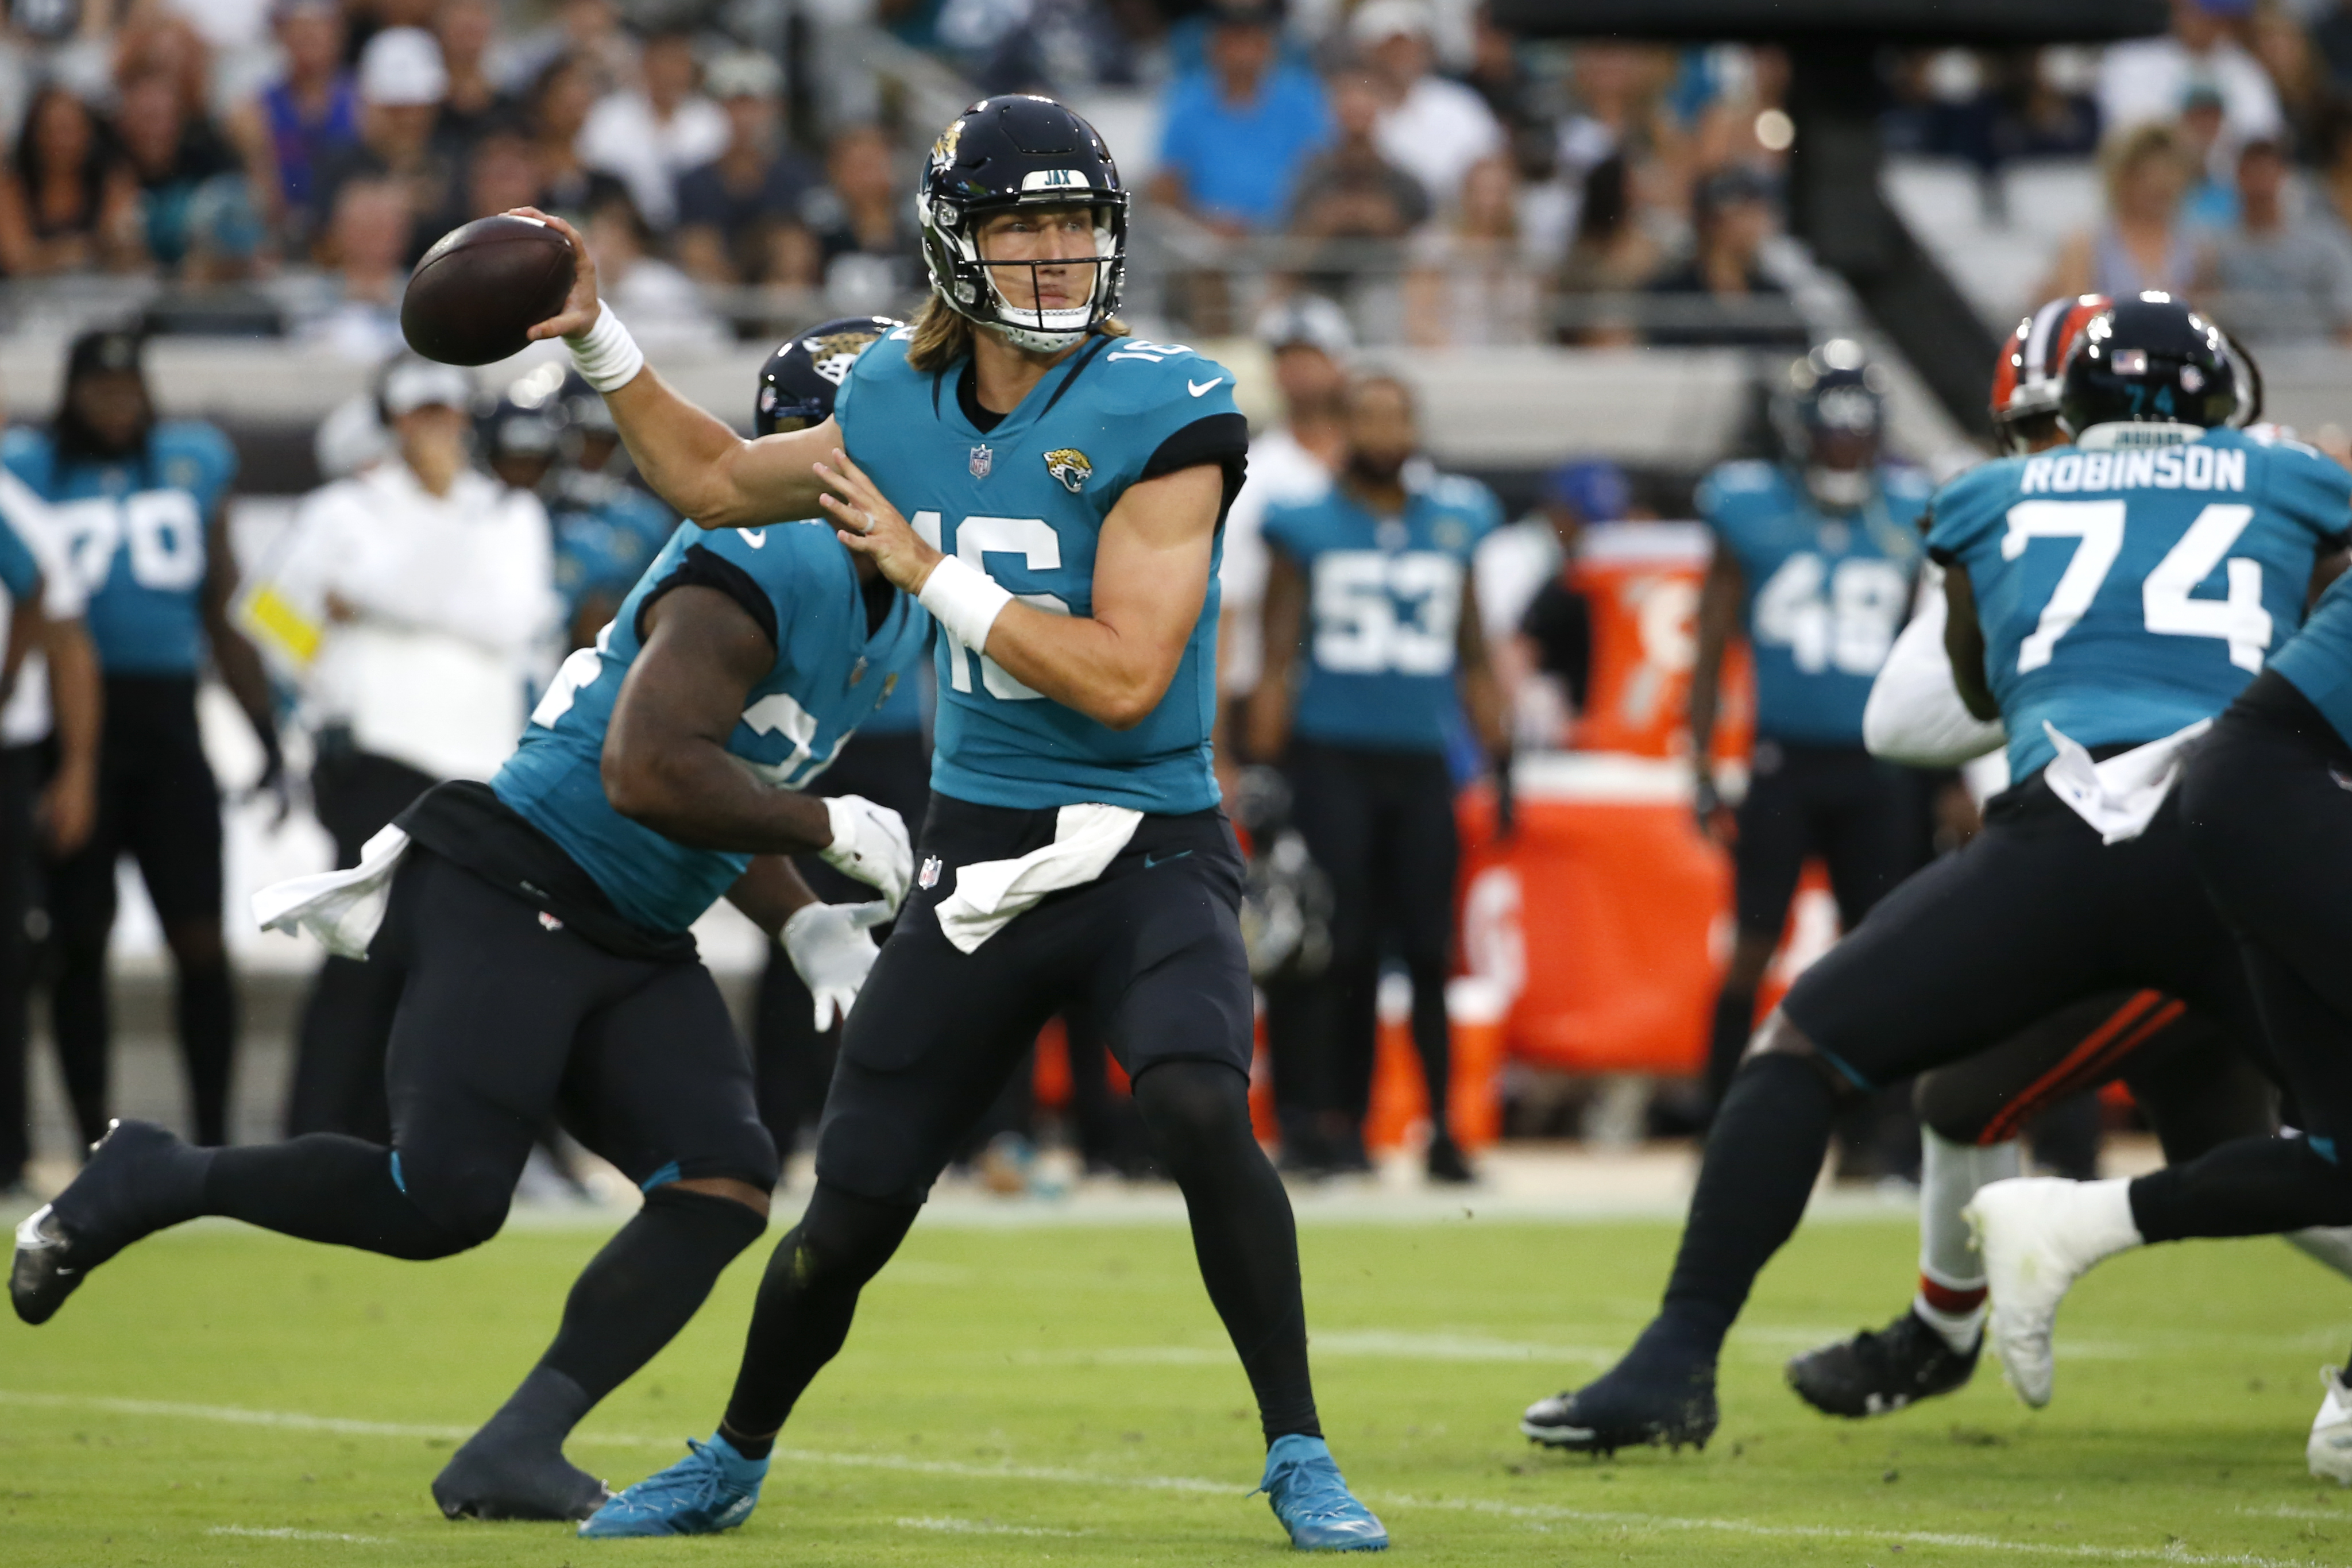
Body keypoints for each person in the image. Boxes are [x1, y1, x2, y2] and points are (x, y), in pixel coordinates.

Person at [527, 92, 1385, 1549]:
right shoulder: (883, 401)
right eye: (1022, 223)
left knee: (1190, 1097)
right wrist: (600, 341)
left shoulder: (1166, 403)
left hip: (1144, 843)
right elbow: (715, 481)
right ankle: (732, 1455)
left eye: (1075, 223)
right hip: (976, 853)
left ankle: (1302, 1450)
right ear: (954, 241)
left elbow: (1122, 677)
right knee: (849, 1212)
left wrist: (924, 571)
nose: (1055, 254)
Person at [9, 350, 929, 1533]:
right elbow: (646, 766)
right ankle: (159, 1174)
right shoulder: (771, 546)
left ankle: (514, 1447)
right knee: (443, 1200)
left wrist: (800, 916)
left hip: (633, 913)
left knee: (720, 1181)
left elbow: (721, 769)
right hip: (519, 876)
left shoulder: (885, 590)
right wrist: (825, 823)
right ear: (819, 443)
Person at [1517, 294, 2350, 1454]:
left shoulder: (1982, 496)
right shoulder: (2295, 480)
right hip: (2231, 840)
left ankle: (1675, 1362)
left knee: (1797, 1057)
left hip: (2053, 838)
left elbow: (1969, 686)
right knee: (2329, 1146)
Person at [1784, 296, 2352, 1421]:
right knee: (2255, 1148)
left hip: (2202, 859)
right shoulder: (2059, 513)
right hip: (2148, 860)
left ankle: (1956, 1316)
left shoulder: (2252, 511)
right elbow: (1901, 718)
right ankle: (1948, 1324)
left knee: (2287, 1150)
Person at [3, 330, 277, 1154]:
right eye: (101, 391)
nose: (119, 407)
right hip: (72, 721)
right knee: (78, 936)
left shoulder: (192, 461)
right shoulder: (29, 468)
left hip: (167, 724)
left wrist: (264, 727)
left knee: (198, 936)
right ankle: (95, 1140)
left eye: (130, 390)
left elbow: (225, 606)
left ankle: (215, 1142)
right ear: (71, 393)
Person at [277, 356, 561, 1141]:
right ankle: (319, 1132)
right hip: (377, 752)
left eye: (445, 412)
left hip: (479, 763)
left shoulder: (507, 512)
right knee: (364, 953)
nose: (436, 427)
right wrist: (325, 656)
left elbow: (510, 618)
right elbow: (271, 617)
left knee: (462, 961)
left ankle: (424, 1134)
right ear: (395, 421)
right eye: (419, 413)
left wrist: (366, 596)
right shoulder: (344, 507)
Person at [1250, 374, 1507, 1185]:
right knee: (1335, 947)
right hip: (1329, 755)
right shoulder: (1306, 523)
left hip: (1420, 758)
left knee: (1428, 949)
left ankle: (1441, 1131)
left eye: (1397, 414)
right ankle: (1327, 1125)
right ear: (1343, 428)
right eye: (1369, 416)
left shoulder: (1454, 521)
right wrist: (1263, 764)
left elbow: (1471, 647)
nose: (1385, 429)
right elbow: (1275, 651)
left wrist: (1499, 750)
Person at [1687, 341, 1929, 1111]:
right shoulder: (1748, 503)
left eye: (1855, 426)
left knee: (1878, 954)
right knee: (1750, 948)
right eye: (1828, 425)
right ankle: (1717, 1122)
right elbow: (1707, 642)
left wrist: (1950, 773)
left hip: (1879, 764)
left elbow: (1931, 653)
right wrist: (1696, 759)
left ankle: (1875, 1134)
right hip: (1782, 763)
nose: (1842, 441)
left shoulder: (1910, 508)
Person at [735, 317, 934, 1175]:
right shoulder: (765, 552)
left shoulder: (921, 543)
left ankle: (900, 1128)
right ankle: (777, 1124)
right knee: (800, 933)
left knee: (912, 941)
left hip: (872, 752)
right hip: (745, 772)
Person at [0, 445, 101, 1195]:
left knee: (11, 956)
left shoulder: (17, 510)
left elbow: (48, 609)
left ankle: (8, 1150)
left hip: (11, 757)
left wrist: (76, 765)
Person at [1148, 0, 1331, 237]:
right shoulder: (1186, 101)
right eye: (1233, 42)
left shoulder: (1302, 99)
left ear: (1269, 46)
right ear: (1213, 46)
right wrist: (1203, 225)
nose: (1242, 53)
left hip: (1289, 237)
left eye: (1251, 42)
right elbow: (1167, 182)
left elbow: (1321, 171)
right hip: (1205, 239)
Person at [673, 52, 818, 288]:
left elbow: (800, 256)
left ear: (775, 109)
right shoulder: (694, 181)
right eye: (734, 105)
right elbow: (696, 253)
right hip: (712, 302)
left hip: (779, 299)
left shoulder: (797, 176)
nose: (744, 117)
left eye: (754, 106)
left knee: (791, 248)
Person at [229, 0, 361, 250]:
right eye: (301, 33)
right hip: (281, 235)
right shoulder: (254, 110)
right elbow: (262, 185)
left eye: (318, 32)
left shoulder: (363, 105)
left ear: (337, 37)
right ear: (284, 38)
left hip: (345, 241)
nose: (310, 42)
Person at [1350, 0, 1503, 209]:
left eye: (1408, 44)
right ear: (1368, 51)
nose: (1399, 55)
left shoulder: (1460, 106)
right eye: (1389, 47)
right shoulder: (1350, 110)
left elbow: (1492, 172)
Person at [577, 27, 726, 234]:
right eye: (662, 62)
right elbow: (597, 174)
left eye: (679, 63)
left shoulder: (711, 119)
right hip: (627, 228)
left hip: (695, 228)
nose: (669, 72)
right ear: (644, 65)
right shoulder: (609, 116)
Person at [2207, 137, 2352, 347]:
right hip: (2247, 362)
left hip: (2316, 365)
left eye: (2266, 172)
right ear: (2237, 177)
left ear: (2284, 175)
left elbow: (2345, 320)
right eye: (2251, 173)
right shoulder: (2215, 249)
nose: (2259, 183)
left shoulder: (2325, 244)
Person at [2042, 120, 2209, 302]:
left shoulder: (2197, 248)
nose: (2161, 186)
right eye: (2146, 176)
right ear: (2122, 177)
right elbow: (2074, 316)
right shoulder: (2087, 245)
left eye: (2171, 175)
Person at [0, 84, 143, 277]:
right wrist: (86, 249)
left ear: (88, 134)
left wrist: (49, 255)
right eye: (51, 130)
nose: (60, 141)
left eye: (69, 130)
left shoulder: (111, 181)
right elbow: (17, 260)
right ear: (34, 136)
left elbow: (125, 249)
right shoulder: (12, 186)